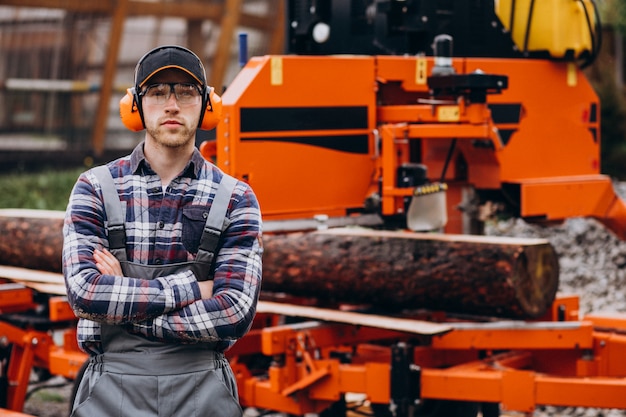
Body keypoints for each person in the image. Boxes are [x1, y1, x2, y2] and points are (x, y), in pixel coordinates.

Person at [62, 45, 263, 417]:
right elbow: (86, 293)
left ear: (207, 106)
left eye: (186, 92)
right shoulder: (95, 187)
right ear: (135, 107)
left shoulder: (236, 198)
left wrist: (123, 307)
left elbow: (234, 312)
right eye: (157, 92)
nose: (172, 105)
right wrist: (193, 288)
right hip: (111, 392)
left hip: (202, 393)